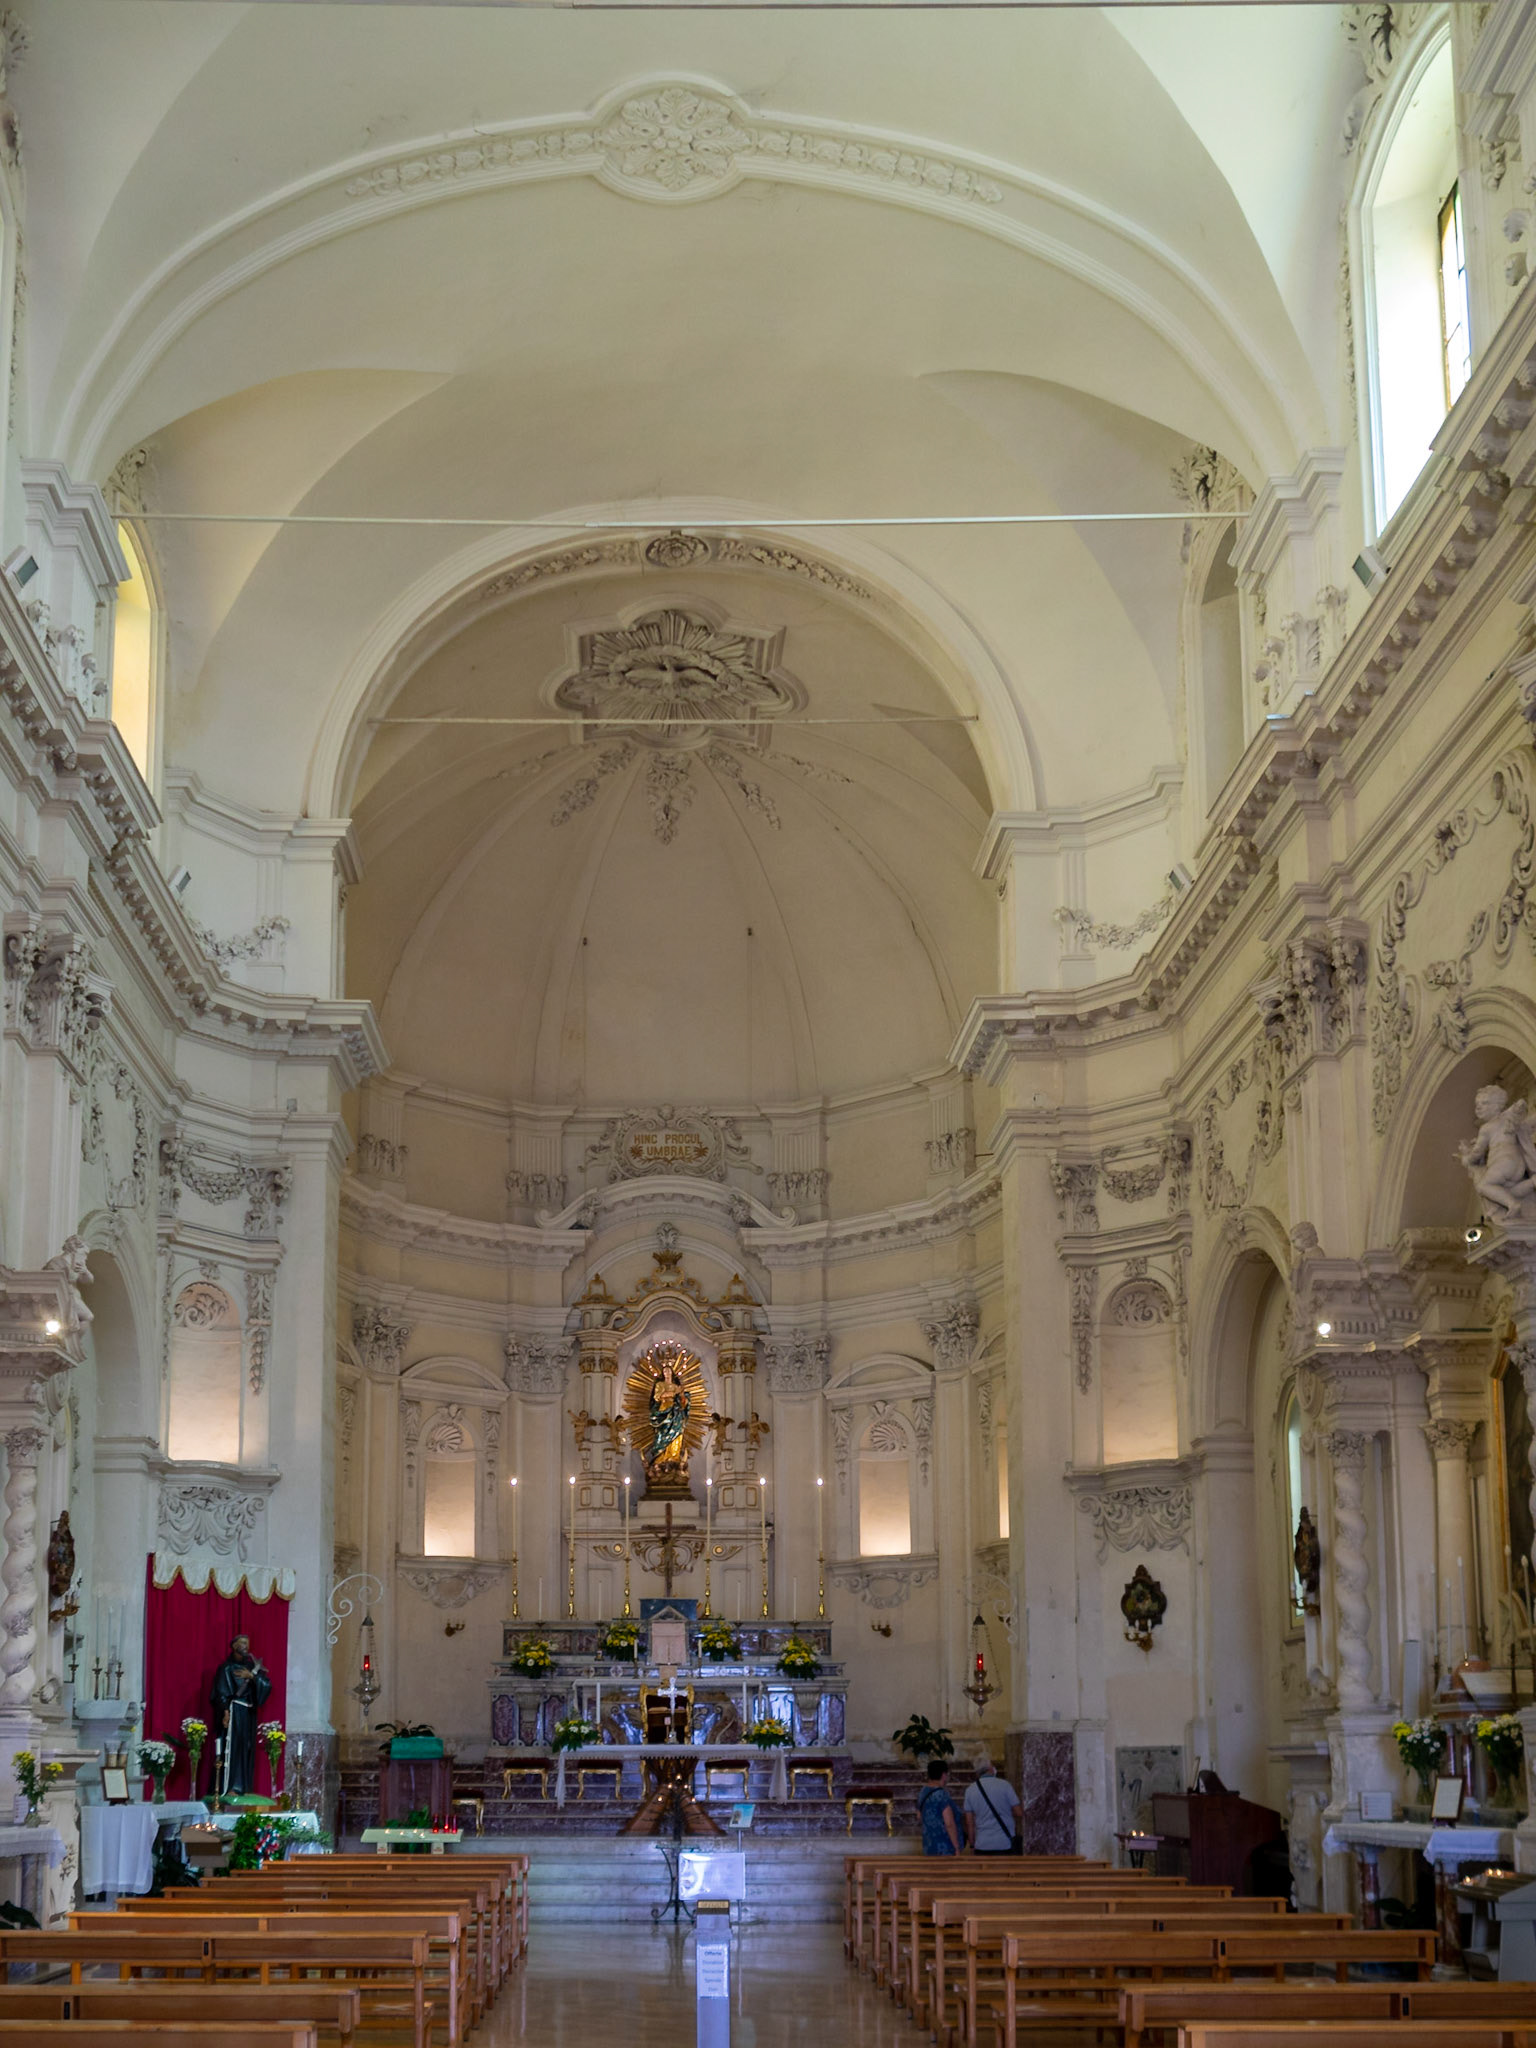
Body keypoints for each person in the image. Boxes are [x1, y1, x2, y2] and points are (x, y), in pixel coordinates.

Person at [211, 1634, 272, 1797]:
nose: (245, 1646)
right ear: (234, 1645)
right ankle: (231, 1786)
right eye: (242, 1643)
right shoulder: (226, 1668)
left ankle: (243, 1786)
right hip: (234, 1711)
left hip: (248, 1713)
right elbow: (221, 1692)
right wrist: (225, 1711)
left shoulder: (252, 1668)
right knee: (234, 1748)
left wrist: (252, 1677)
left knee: (246, 1748)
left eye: (247, 1643)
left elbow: (266, 1685)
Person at [963, 1755, 1023, 1854]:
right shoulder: (1005, 1785)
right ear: (990, 1768)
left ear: (977, 1772)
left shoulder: (970, 1790)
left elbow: (969, 1823)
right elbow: (1019, 1813)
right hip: (1005, 1843)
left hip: (982, 1844)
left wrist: (972, 1845)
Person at [918, 1758, 963, 1856]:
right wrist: (956, 1847)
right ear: (943, 1775)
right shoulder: (941, 1794)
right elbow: (949, 1823)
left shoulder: (923, 1791)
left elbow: (919, 1816)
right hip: (944, 1846)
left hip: (929, 1844)